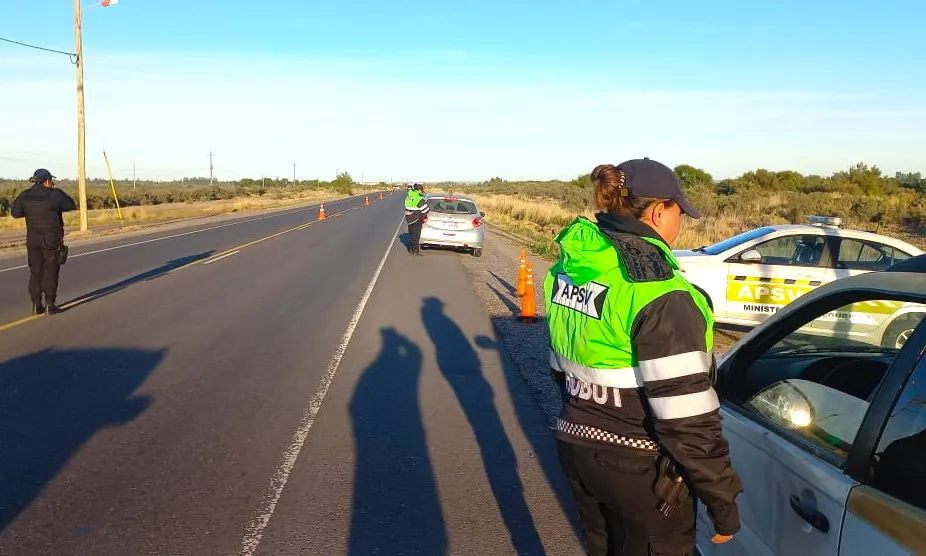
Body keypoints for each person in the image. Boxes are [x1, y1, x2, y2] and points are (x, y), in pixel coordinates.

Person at [544, 158, 742, 555]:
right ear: (657, 211)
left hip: (577, 447)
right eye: (678, 211)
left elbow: (561, 368)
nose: (680, 222)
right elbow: (687, 416)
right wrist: (722, 500)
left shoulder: (572, 269)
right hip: (641, 469)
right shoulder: (660, 292)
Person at [11, 168, 77, 315]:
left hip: (32, 240)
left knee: (35, 272)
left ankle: (36, 304)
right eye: (51, 181)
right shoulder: (54, 195)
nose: (52, 183)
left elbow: (15, 213)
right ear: (46, 181)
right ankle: (50, 304)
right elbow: (71, 204)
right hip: (50, 240)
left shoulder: (25, 196)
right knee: (50, 271)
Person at [404, 183, 429, 256]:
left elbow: (406, 207)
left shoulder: (408, 197)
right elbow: (426, 209)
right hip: (417, 218)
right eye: (421, 190)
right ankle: (416, 251)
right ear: (419, 190)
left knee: (411, 234)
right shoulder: (419, 198)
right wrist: (423, 216)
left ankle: (411, 249)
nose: (422, 192)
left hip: (409, 218)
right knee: (416, 235)